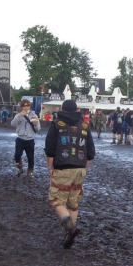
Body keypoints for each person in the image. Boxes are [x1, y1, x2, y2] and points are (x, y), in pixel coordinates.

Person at [44, 99, 96, 249]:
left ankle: (70, 228)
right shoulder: (85, 126)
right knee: (73, 203)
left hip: (62, 167)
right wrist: (84, 168)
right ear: (77, 110)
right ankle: (69, 235)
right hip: (80, 168)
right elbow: (91, 152)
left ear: (62, 109)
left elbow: (50, 149)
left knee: (56, 200)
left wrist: (50, 167)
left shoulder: (56, 124)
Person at [10, 98, 41, 177]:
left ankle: (30, 171)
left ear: (29, 106)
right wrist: (19, 116)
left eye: (27, 105)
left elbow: (38, 128)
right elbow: (12, 124)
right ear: (21, 107)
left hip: (30, 139)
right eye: (24, 105)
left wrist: (35, 124)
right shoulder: (18, 115)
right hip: (20, 139)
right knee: (17, 155)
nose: (25, 107)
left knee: (30, 157)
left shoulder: (34, 115)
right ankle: (20, 168)